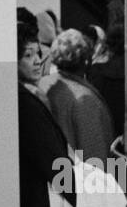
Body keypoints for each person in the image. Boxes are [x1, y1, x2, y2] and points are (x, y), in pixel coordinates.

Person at [16, 21, 76, 207]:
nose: (37, 60)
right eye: (27, 55)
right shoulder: (25, 103)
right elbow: (52, 160)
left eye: (37, 53)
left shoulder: (28, 96)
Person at [45, 29, 115, 170]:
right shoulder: (84, 98)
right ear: (87, 60)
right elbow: (95, 154)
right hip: (81, 178)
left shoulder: (45, 84)